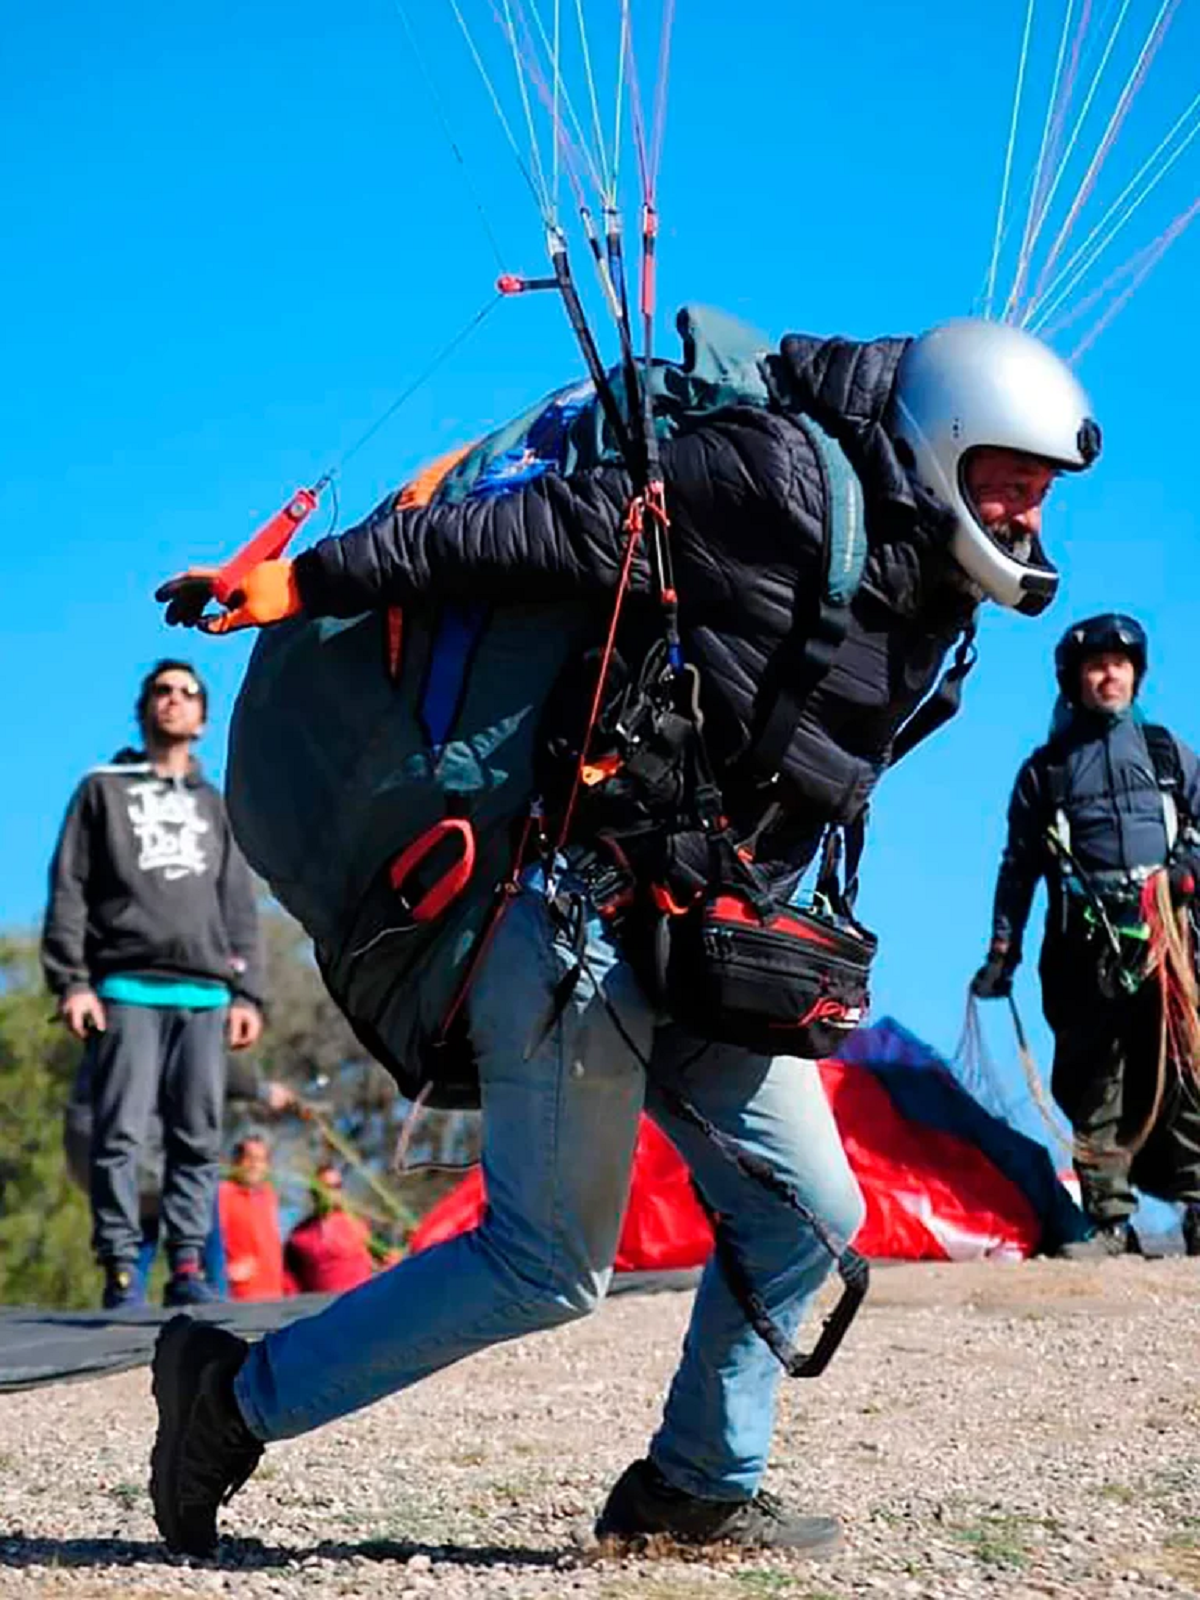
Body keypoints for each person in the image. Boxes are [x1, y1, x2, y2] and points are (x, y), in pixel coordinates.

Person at [147, 316, 1101, 1559]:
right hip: (578, 918)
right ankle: (228, 1399)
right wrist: (311, 576)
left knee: (807, 1210)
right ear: (938, 446)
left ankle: (695, 1487)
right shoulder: (777, 477)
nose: (1025, 518)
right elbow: (532, 532)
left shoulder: (922, 581)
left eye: (1041, 495)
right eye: (1007, 484)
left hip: (702, 931)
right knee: (545, 1261)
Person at [971, 614, 1200, 1258]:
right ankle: (1108, 1218)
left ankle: (1198, 1206)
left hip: (1169, 940)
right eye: (1096, 666)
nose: (1110, 675)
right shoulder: (1046, 773)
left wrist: (1185, 870)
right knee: (1097, 1080)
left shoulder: (1167, 754)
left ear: (1136, 675)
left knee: (1184, 1069)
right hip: (1083, 948)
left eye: (1120, 665)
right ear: (1075, 681)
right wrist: (1002, 951)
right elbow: (1017, 868)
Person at [41, 660, 266, 1309]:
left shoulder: (213, 804)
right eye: (162, 691)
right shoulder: (102, 790)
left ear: (202, 717)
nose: (173, 701)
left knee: (196, 1134)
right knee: (120, 1133)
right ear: (145, 709)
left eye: (186, 693)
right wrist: (72, 981)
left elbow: (238, 905)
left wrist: (248, 995)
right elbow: (70, 888)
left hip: (205, 993)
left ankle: (190, 1266)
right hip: (124, 987)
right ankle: (118, 1267)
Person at [63, 1052, 295, 1302]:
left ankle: (126, 1294)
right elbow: (204, 1063)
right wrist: (262, 1091)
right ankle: (201, 1284)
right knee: (199, 1186)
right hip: (128, 1141)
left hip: (87, 1143)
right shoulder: (160, 1020)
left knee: (145, 1215)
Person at [283, 1163, 376, 1294]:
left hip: (360, 1305)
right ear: (314, 1192)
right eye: (325, 1188)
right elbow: (288, 1281)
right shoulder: (299, 1236)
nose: (332, 1192)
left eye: (337, 1186)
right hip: (321, 1308)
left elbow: (383, 1262)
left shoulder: (359, 1225)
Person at [219, 1136, 288, 1301]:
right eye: (249, 1158)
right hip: (241, 1299)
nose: (255, 1165)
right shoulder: (223, 1194)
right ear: (236, 1162)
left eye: (261, 1160)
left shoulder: (268, 1195)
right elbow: (204, 1243)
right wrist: (224, 1272)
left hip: (275, 1295)